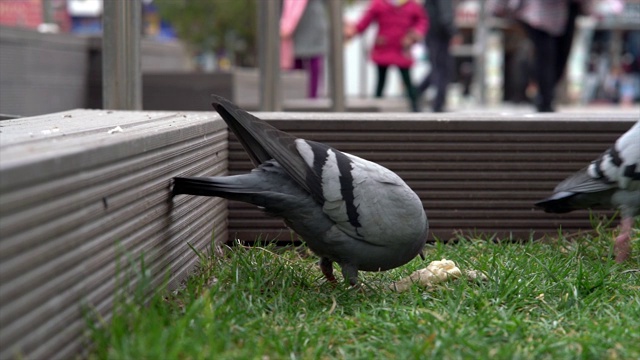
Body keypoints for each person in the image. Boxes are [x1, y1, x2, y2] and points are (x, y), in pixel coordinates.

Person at [489, 0, 588, 112]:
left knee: (560, 58)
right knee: (545, 54)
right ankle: (545, 99)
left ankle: (542, 89)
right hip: (536, 12)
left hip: (565, 11)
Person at [345, 0, 428, 112]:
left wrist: (414, 34)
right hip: (385, 47)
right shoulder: (380, 4)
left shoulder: (410, 5)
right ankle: (374, 113)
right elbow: (365, 22)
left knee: (407, 81)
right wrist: (353, 30)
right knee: (381, 82)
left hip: (400, 47)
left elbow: (421, 20)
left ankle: (416, 110)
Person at [280, 0, 328, 99]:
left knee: (314, 64)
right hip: (293, 29)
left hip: (312, 25)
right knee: (295, 65)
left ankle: (313, 99)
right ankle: (295, 98)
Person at [416, 0, 458, 112]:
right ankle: (438, 104)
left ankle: (415, 93)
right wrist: (453, 32)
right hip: (439, 36)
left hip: (432, 34)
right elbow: (446, 16)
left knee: (437, 69)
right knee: (442, 69)